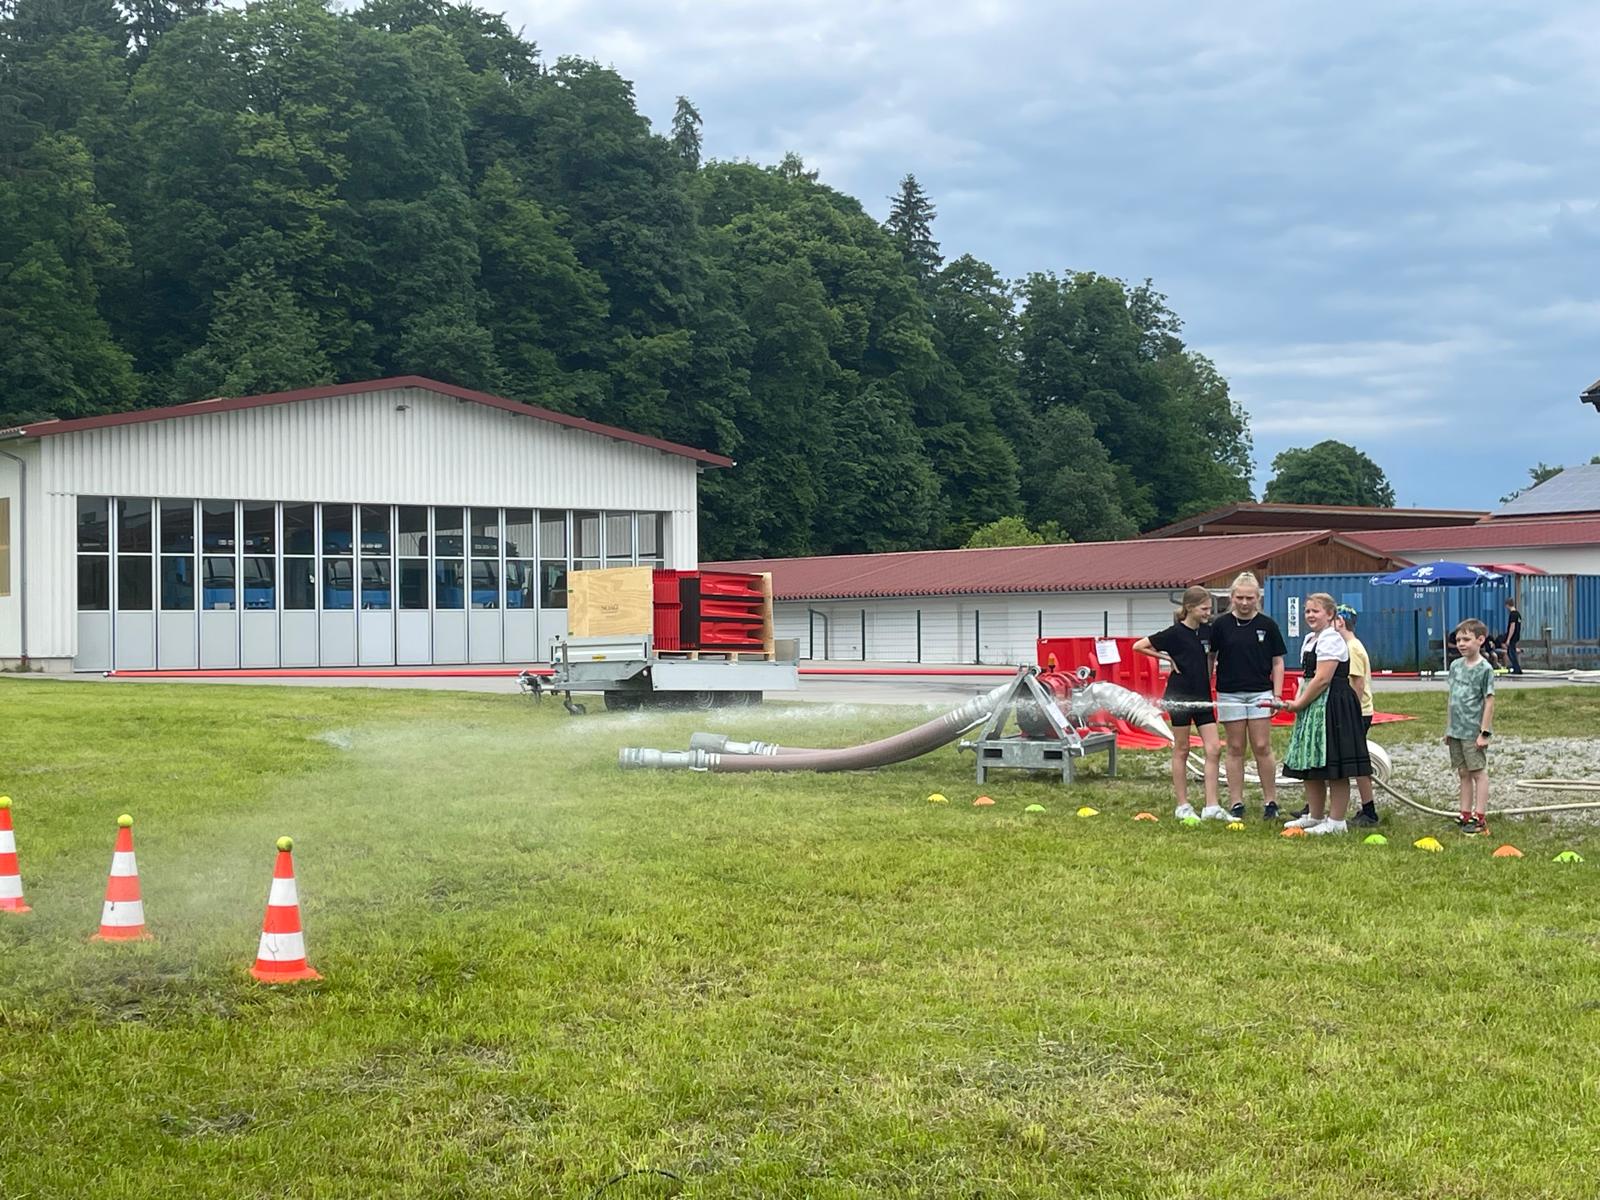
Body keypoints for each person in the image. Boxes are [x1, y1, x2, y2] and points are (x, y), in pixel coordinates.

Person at [1277, 593, 1372, 835]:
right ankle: (1315, 815)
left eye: (1315, 611)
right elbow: (1309, 678)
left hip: (1332, 704)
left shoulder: (1332, 639)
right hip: (1314, 704)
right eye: (1307, 611)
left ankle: (1337, 821)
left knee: (1334, 764)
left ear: (1330, 614)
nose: (1310, 615)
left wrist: (1299, 703)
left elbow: (1322, 679)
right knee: (1310, 760)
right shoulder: (1311, 639)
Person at [1133, 586, 1224, 821]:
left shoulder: (1207, 632)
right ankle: (1182, 804)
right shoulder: (1174, 633)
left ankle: (1211, 805)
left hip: (1202, 696)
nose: (1208, 613)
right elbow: (1139, 646)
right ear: (1190, 608)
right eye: (1204, 609)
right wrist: (1165, 657)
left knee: (1214, 748)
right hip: (1179, 697)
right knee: (1182, 748)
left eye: (1209, 609)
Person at [1208, 572, 1287, 820]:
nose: (1244, 602)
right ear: (1232, 597)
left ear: (1257, 598)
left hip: (1260, 692)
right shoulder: (1220, 625)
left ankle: (1271, 801)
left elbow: (1277, 662)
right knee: (1235, 747)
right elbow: (1211, 657)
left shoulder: (1268, 625)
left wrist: (1276, 695)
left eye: (1249, 598)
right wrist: (1206, 685)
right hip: (1229, 693)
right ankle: (1236, 802)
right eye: (1240, 598)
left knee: (1262, 746)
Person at [1447, 618, 1496, 834]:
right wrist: (1448, 728)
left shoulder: (1485, 669)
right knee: (1463, 772)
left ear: (1480, 640)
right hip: (1456, 730)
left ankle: (1480, 816)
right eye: (1459, 640)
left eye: (1466, 639)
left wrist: (1484, 732)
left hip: (1472, 731)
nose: (1461, 644)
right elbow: (1452, 698)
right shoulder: (1455, 666)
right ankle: (1465, 813)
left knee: (1478, 772)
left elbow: (1489, 701)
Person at [1334, 604, 1379, 826]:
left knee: (1357, 761)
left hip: (1358, 712)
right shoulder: (1352, 645)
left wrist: (1349, 713)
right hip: (1358, 711)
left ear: (1340, 622)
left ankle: (1369, 810)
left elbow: (1357, 684)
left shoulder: (1351, 648)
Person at [1503, 597, 1523, 675]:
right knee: (1510, 651)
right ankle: (1516, 667)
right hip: (1517, 635)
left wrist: (1508, 638)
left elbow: (1512, 626)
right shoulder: (1518, 614)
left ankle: (1517, 668)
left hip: (1513, 636)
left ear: (1507, 605)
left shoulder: (1513, 614)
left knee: (1511, 652)